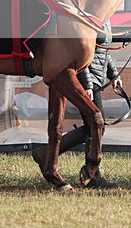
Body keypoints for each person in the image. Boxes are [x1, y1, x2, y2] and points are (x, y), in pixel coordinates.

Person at [32, 21, 121, 188]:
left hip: (96, 80)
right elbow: (78, 56)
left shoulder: (105, 20)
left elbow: (104, 52)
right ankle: (93, 176)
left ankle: (46, 154)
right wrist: (86, 84)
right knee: (95, 124)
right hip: (85, 80)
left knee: (93, 126)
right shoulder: (87, 19)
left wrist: (114, 75)